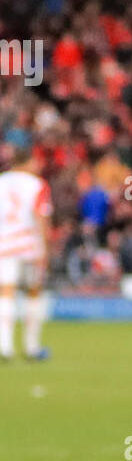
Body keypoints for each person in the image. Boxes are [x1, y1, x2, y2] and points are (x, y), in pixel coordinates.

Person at [0, 144, 52, 361]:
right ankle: (32, 347)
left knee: (5, 293)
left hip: (4, 245)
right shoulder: (37, 184)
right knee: (34, 292)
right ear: (29, 161)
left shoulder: (1, 181)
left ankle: (4, 346)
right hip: (30, 245)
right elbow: (40, 215)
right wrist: (45, 248)